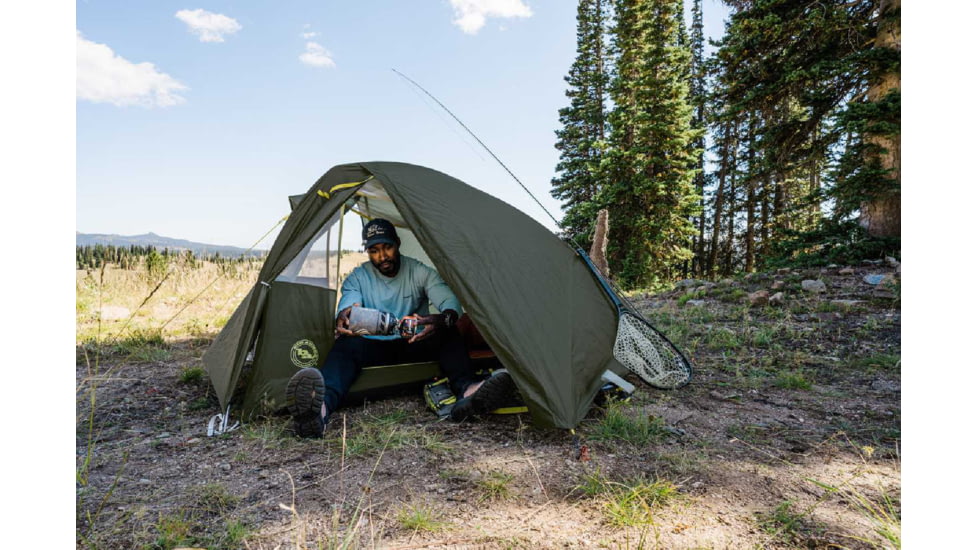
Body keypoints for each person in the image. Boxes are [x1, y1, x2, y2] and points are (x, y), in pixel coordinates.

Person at [285, 218, 516, 438]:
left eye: (387, 248)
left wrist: (437, 321)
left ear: (398, 244)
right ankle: (318, 412)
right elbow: (349, 305)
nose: (382, 256)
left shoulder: (419, 271)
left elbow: (450, 304)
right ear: (368, 252)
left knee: (448, 331)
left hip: (413, 343)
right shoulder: (358, 277)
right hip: (372, 347)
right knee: (346, 345)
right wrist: (345, 316)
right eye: (374, 251)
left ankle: (468, 392)